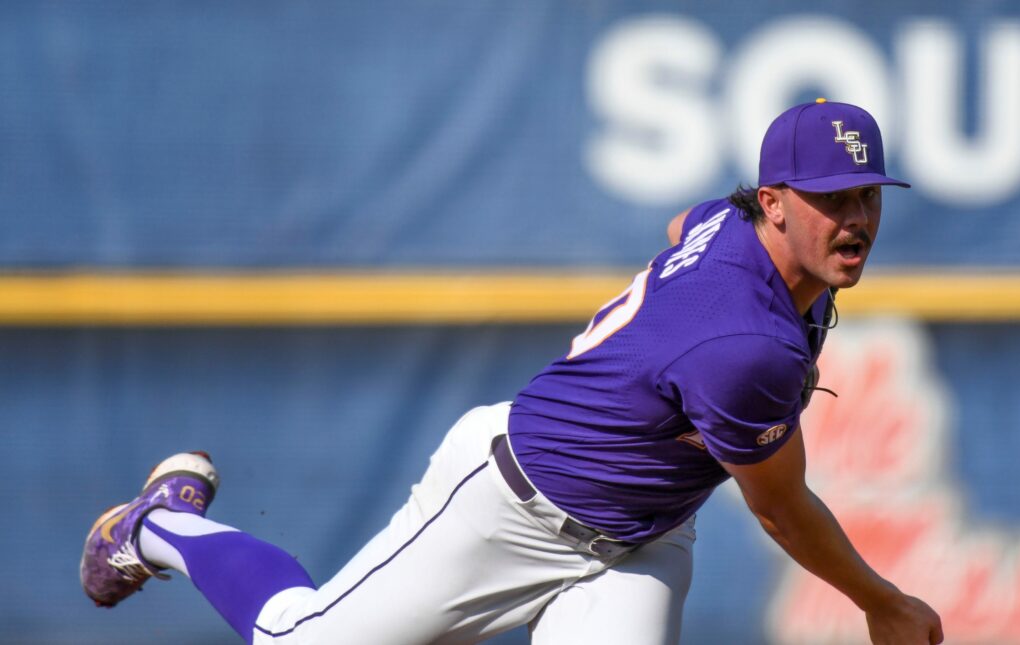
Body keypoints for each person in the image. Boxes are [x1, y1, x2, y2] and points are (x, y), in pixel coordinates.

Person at [81, 99, 943, 645]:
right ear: (775, 201)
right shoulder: (747, 346)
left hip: (639, 539)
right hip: (510, 506)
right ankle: (157, 525)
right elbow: (783, 509)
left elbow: (688, 223)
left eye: (867, 194)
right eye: (831, 197)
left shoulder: (739, 231)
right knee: (293, 638)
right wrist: (885, 601)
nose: (855, 217)